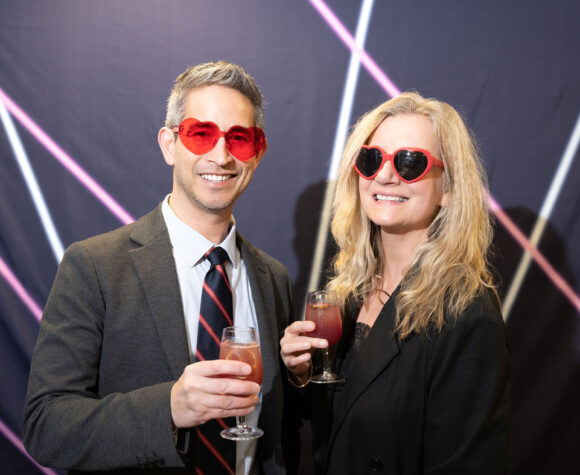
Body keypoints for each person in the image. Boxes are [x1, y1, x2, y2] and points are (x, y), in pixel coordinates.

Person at [23, 61, 297, 474]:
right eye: (201, 135)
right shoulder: (95, 266)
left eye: (239, 139)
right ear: (170, 145)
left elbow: (280, 426)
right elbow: (46, 427)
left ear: (257, 153)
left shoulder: (272, 277)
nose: (220, 156)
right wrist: (168, 408)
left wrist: (299, 377)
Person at [281, 92, 510, 474]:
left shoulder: (466, 313)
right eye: (372, 160)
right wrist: (300, 374)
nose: (385, 175)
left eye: (409, 162)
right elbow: (338, 421)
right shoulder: (347, 293)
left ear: (448, 189)